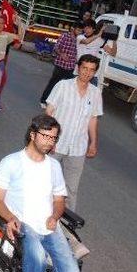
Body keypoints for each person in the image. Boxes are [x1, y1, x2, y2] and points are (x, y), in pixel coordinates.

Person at [0, 115, 81, 272]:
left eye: (53, 138)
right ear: (32, 134)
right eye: (45, 136)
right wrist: (10, 218)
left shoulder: (54, 166)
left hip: (49, 226)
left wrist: (55, 216)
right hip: (23, 224)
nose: (49, 142)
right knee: (38, 258)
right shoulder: (11, 162)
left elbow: (59, 201)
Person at [45, 54, 102, 212]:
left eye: (91, 70)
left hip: (78, 148)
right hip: (57, 144)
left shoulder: (96, 93)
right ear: (78, 68)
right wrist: (50, 140)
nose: (87, 72)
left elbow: (93, 119)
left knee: (70, 190)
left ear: (95, 72)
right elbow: (49, 112)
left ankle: (66, 227)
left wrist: (93, 143)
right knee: (46, 183)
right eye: (84, 68)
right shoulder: (63, 86)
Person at [40, 22, 84, 107]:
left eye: (81, 31)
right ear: (73, 28)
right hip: (60, 65)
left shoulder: (77, 40)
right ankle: (43, 100)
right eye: (78, 30)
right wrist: (62, 54)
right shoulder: (64, 36)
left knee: (66, 87)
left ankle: (58, 103)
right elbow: (56, 48)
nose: (79, 32)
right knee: (53, 84)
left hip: (70, 67)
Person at [0, 15, 21, 119]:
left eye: (2, 23)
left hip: (0, 64)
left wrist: (19, 25)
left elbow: (18, 37)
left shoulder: (6, 35)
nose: (1, 25)